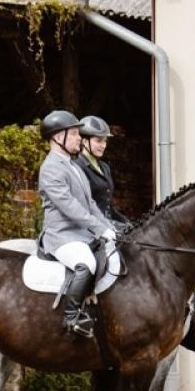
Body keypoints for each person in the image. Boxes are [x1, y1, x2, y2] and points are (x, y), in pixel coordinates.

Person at [37, 109, 116, 339]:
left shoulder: (73, 167)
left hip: (81, 234)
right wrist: (99, 228)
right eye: (73, 134)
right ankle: (71, 318)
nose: (79, 139)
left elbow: (90, 204)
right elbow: (70, 207)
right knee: (86, 264)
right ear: (57, 137)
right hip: (61, 235)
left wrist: (108, 227)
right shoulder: (51, 168)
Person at [77, 115, 128, 228]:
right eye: (98, 141)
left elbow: (107, 205)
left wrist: (126, 223)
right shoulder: (77, 167)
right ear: (85, 142)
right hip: (90, 227)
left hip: (107, 222)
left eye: (105, 141)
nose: (103, 145)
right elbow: (82, 207)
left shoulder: (105, 167)